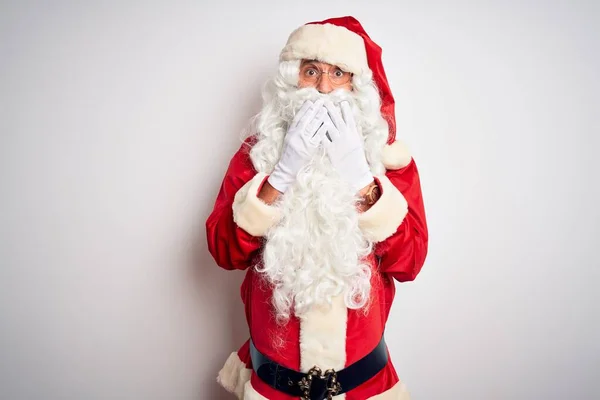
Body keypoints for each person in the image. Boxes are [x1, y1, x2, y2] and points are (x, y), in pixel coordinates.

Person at [206, 16, 428, 400]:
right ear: (292, 81)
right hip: (273, 388)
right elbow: (224, 252)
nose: (324, 89)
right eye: (311, 72)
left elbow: (409, 263)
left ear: (357, 86)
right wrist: (281, 175)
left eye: (338, 73)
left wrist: (362, 179)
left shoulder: (390, 163)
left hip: (364, 388)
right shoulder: (256, 157)